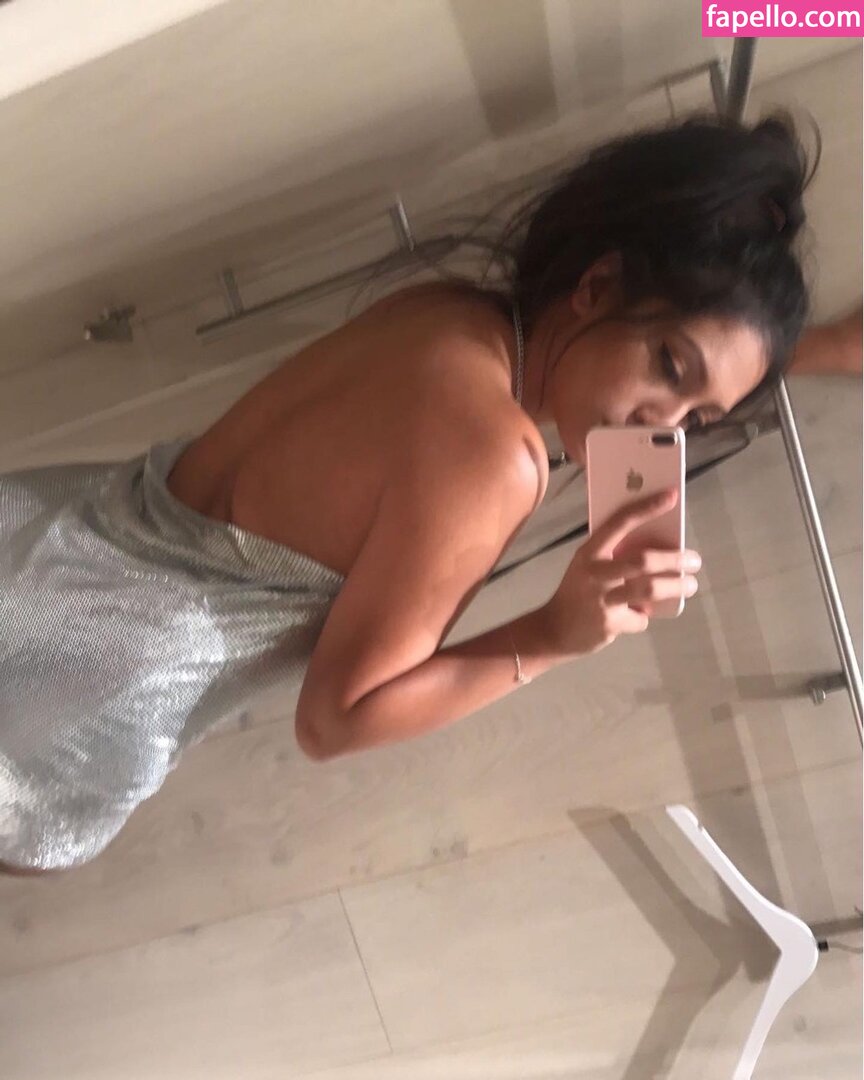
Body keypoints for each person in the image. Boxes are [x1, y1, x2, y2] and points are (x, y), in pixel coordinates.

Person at [0, 114, 820, 874]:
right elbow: (336, 720)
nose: (661, 422)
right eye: (670, 365)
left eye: (695, 418)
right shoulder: (497, 458)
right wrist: (553, 635)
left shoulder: (445, 314)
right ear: (598, 284)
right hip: (85, 675)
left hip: (46, 532)